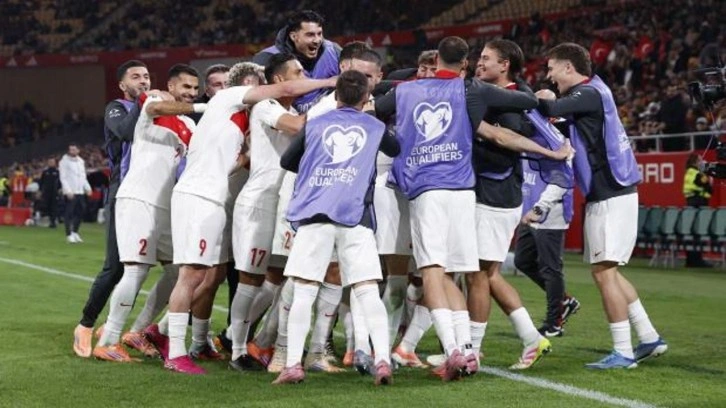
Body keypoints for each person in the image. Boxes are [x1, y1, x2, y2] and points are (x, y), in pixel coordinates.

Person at [374, 36, 569, 381]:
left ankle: (456, 349)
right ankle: (463, 349)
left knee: (441, 272)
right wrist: (542, 102)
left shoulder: (409, 91)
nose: (479, 64)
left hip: (437, 190)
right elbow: (521, 104)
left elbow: (375, 104)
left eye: (487, 58)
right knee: (463, 271)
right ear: (464, 63)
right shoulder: (472, 90)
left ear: (435, 60)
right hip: (465, 192)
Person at [159, 68, 337, 375]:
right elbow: (289, 102)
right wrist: (333, 87)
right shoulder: (233, 99)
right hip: (200, 196)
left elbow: (236, 162)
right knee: (194, 275)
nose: (261, 92)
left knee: (213, 275)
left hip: (217, 198)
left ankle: (223, 345)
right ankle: (175, 350)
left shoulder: (239, 121)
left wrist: (246, 155)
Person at [536, 42, 667, 369]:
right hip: (611, 193)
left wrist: (536, 97)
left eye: (552, 69)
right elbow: (561, 123)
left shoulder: (588, 92)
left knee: (603, 272)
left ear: (569, 67)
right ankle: (649, 337)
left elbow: (551, 108)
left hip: (611, 193)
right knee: (609, 271)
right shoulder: (593, 93)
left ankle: (623, 352)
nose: (550, 76)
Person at [273, 70, 399, 385]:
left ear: (337, 96)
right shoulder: (375, 126)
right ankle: (383, 360)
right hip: (356, 216)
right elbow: (396, 148)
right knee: (367, 290)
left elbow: (287, 161)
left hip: (314, 213)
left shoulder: (315, 123)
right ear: (366, 97)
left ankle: (293, 364)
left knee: (304, 291)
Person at [92, 63, 201, 363]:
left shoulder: (189, 126)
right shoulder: (153, 102)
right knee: (136, 270)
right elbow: (156, 107)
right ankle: (109, 340)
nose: (192, 93)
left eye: (196, 89)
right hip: (139, 198)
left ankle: (138, 331)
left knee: (178, 272)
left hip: (166, 206)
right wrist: (203, 106)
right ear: (171, 86)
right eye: (186, 87)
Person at [227, 53, 309, 373]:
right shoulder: (266, 106)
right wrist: (335, 105)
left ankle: (235, 335)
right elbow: (296, 127)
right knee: (250, 279)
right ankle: (237, 351)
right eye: (298, 73)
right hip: (258, 202)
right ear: (279, 80)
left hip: (284, 204)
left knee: (277, 276)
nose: (304, 78)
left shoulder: (295, 110)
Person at [73, 60, 150, 358]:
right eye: (136, 77)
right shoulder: (116, 108)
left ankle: (121, 327)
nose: (143, 81)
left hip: (151, 193)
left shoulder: (152, 108)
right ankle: (85, 324)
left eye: (146, 76)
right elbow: (126, 133)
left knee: (154, 265)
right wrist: (143, 103)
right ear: (122, 84)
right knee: (116, 266)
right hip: (123, 191)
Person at [252, 10, 341, 113]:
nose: (317, 40)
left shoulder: (333, 51)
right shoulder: (266, 59)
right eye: (310, 35)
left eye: (319, 34)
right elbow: (252, 97)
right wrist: (328, 82)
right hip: (285, 120)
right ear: (294, 36)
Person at [683, 153, 712, 267]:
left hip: (691, 203)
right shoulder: (696, 173)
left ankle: (690, 260)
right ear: (695, 162)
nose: (702, 162)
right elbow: (707, 186)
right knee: (697, 232)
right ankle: (697, 260)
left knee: (691, 232)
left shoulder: (689, 172)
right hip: (698, 203)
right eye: (700, 160)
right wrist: (706, 175)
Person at [59, 143, 91, 243]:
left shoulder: (81, 161)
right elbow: (63, 177)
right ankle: (68, 234)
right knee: (69, 213)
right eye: (70, 150)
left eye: (74, 149)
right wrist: (67, 191)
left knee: (81, 211)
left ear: (78, 150)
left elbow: (83, 176)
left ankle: (75, 232)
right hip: (71, 191)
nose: (72, 151)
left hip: (80, 190)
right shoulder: (64, 161)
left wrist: (87, 187)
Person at [39, 158, 60, 228]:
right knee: (46, 206)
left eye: (52, 162)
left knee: (54, 206)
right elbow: (41, 182)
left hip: (55, 192)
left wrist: (60, 189)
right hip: (46, 192)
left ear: (55, 163)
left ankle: (53, 221)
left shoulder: (57, 172)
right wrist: (40, 190)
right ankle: (47, 220)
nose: (51, 163)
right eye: (50, 162)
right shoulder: (45, 172)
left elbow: (60, 182)